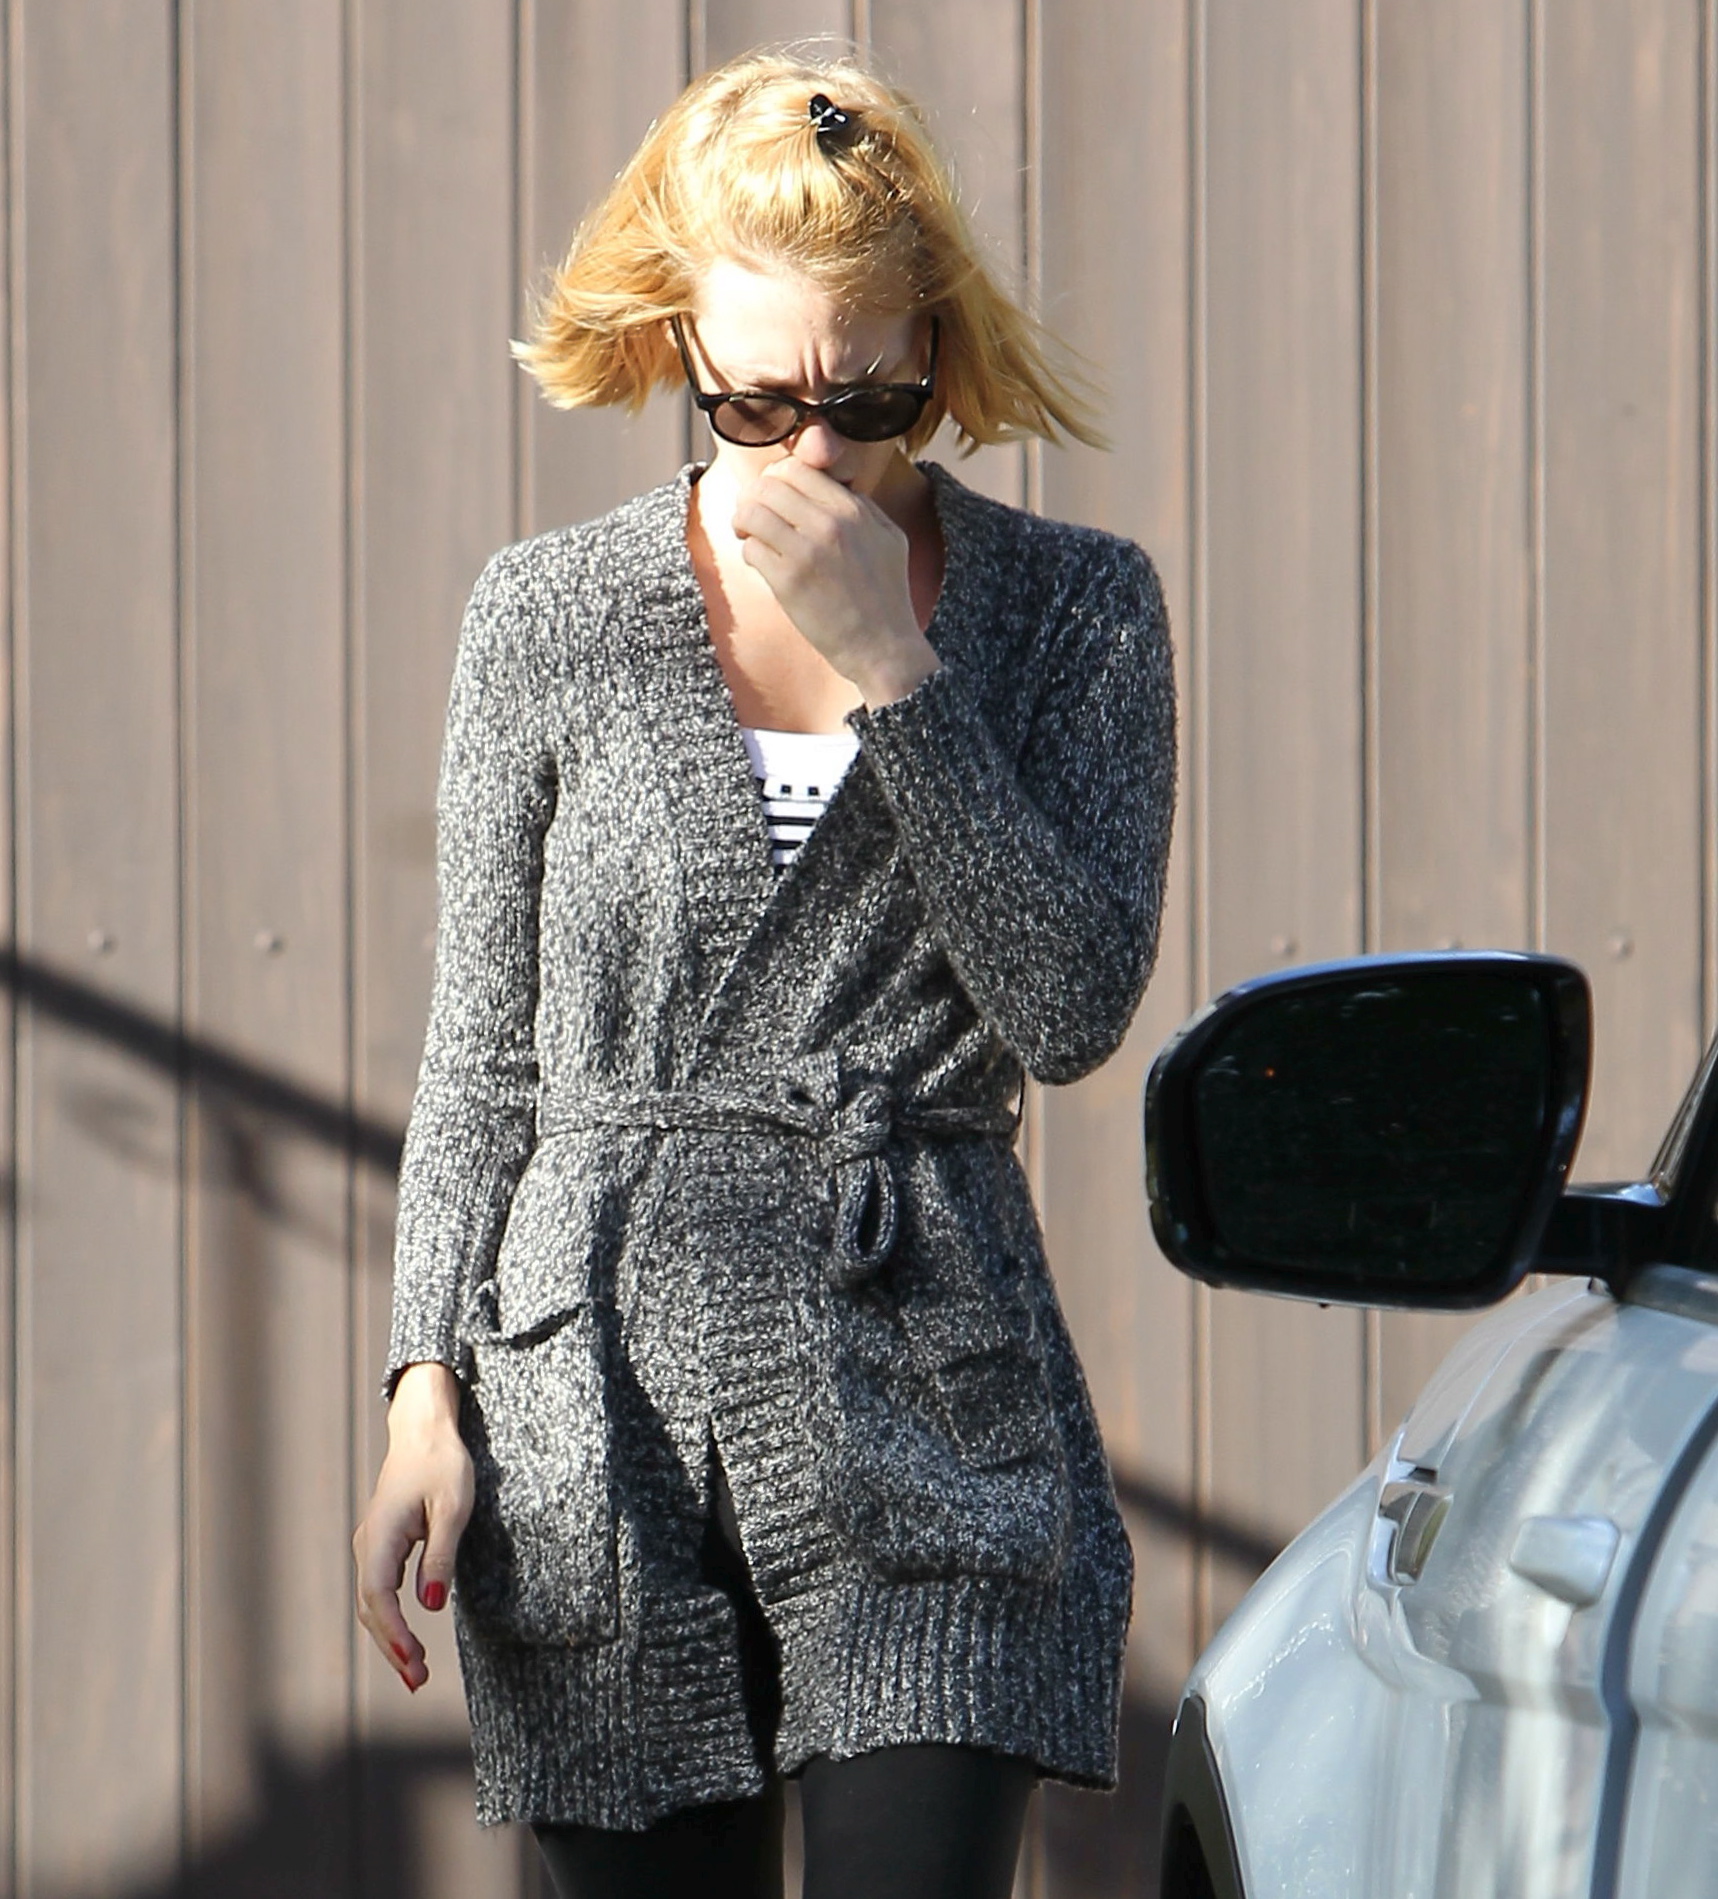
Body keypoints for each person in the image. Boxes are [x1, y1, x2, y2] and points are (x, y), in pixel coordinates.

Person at [352, 45, 1176, 1899]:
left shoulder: (1078, 611)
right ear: (676, 345)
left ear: (937, 352)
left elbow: (1066, 1011)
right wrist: (422, 1393)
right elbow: (482, 1057)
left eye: (869, 397)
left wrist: (898, 674)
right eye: (756, 401)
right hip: (591, 1410)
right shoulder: (550, 615)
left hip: (927, 1380)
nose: (815, 453)